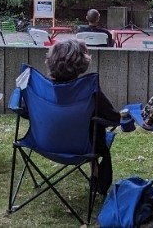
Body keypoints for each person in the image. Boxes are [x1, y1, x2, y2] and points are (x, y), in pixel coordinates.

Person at [43, 39, 121, 193]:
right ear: (81, 63)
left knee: (89, 123)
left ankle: (94, 171)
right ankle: (96, 174)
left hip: (45, 144)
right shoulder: (88, 91)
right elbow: (113, 118)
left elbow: (24, 112)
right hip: (82, 148)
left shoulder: (41, 89)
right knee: (94, 125)